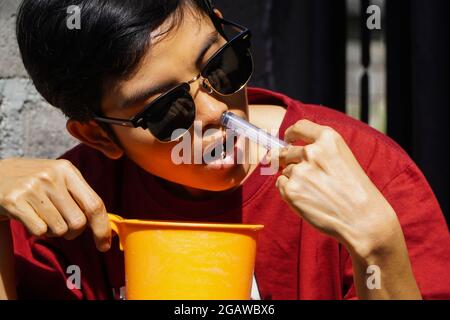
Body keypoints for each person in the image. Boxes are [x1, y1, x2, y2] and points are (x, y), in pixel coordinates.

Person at [0, 0, 449, 300]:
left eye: (222, 65)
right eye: (166, 109)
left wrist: (377, 247)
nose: (215, 111)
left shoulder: (368, 173)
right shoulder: (66, 217)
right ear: (97, 136)